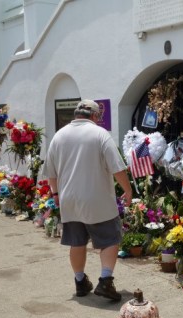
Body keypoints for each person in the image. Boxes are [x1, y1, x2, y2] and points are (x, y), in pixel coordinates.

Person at [43, 99, 132, 301]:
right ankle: (105, 281)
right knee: (110, 239)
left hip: (68, 199)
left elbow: (51, 171)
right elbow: (117, 167)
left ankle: (80, 281)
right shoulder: (100, 134)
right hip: (96, 198)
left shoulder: (59, 135)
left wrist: (55, 194)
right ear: (94, 116)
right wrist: (127, 190)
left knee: (77, 242)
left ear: (76, 114)